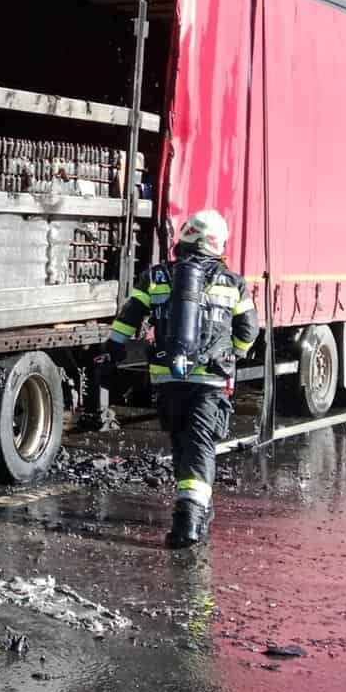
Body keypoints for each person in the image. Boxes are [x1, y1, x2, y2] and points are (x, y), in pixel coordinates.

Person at [103, 209, 260, 549]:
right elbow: (250, 330)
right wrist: (235, 353)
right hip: (210, 382)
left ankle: (197, 511)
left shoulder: (156, 276)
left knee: (180, 444)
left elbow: (130, 316)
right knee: (199, 447)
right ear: (217, 245)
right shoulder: (231, 282)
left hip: (167, 380)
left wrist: (113, 349)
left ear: (185, 238)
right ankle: (188, 521)